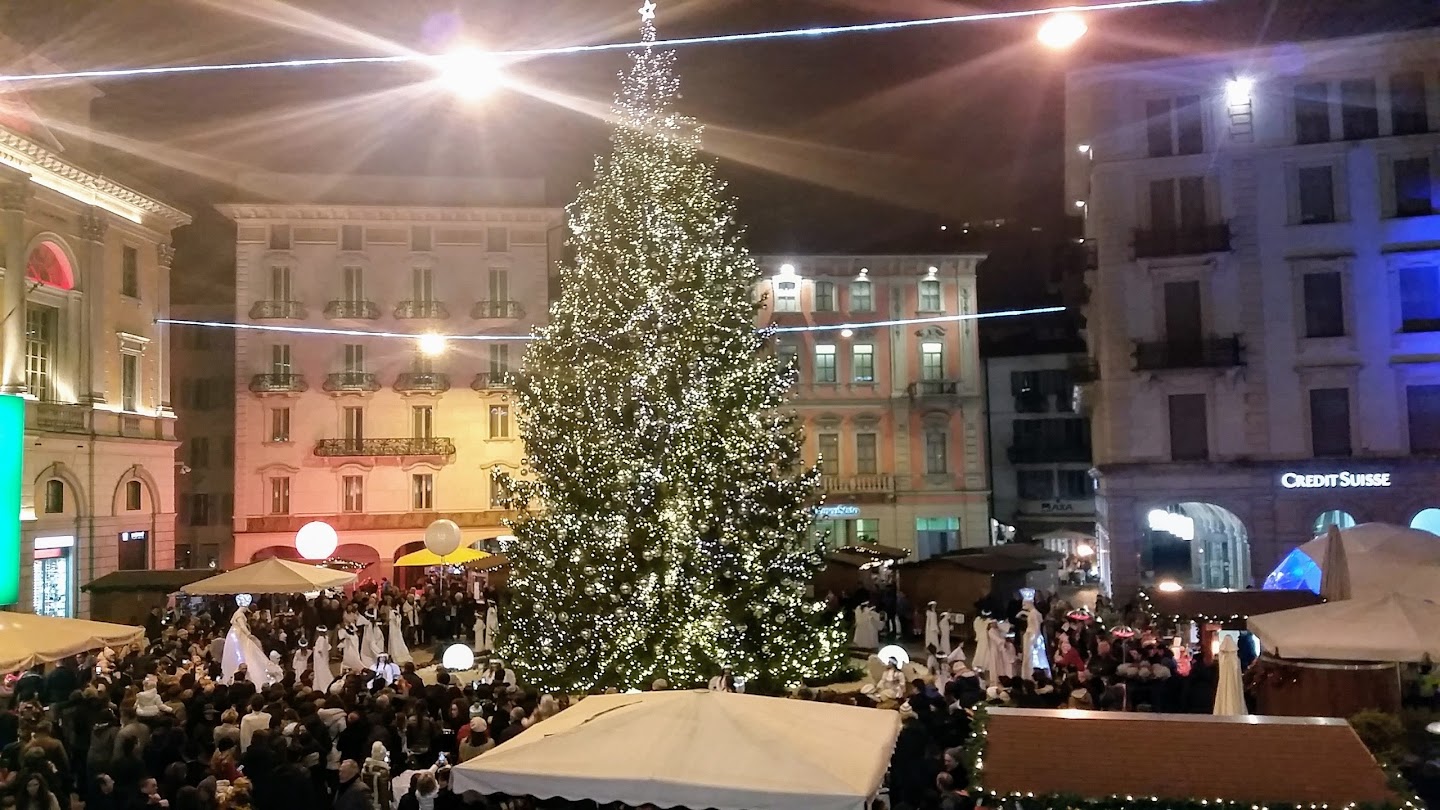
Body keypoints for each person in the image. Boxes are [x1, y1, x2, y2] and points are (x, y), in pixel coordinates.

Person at [222, 605, 274, 686]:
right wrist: (249, 635)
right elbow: (242, 626)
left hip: (240, 635)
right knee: (245, 652)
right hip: (240, 635)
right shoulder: (239, 614)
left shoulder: (239, 614)